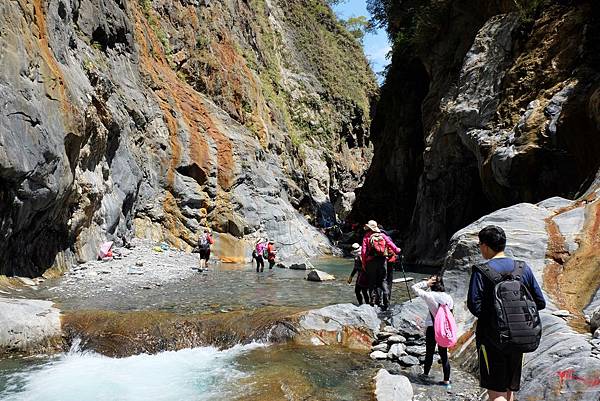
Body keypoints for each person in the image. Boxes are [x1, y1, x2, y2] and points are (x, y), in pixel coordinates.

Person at [467, 225, 546, 401]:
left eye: (480, 245)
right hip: (519, 337)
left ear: (485, 246)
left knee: (496, 394)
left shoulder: (481, 271)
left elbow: (474, 305)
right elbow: (540, 302)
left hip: (491, 339)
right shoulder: (522, 268)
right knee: (510, 391)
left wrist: (494, 319)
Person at [412, 275, 453, 388]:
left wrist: (426, 283)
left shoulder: (430, 296)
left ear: (432, 283)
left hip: (432, 327)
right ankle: (446, 381)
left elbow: (414, 287)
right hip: (443, 329)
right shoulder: (449, 297)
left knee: (429, 352)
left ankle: (425, 375)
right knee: (443, 354)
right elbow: (450, 314)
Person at [361, 220, 400, 310]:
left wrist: (364, 263)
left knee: (372, 281)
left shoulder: (367, 237)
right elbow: (391, 245)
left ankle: (373, 301)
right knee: (383, 280)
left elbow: (363, 252)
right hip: (382, 261)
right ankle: (386, 299)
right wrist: (398, 250)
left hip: (371, 262)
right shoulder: (383, 236)